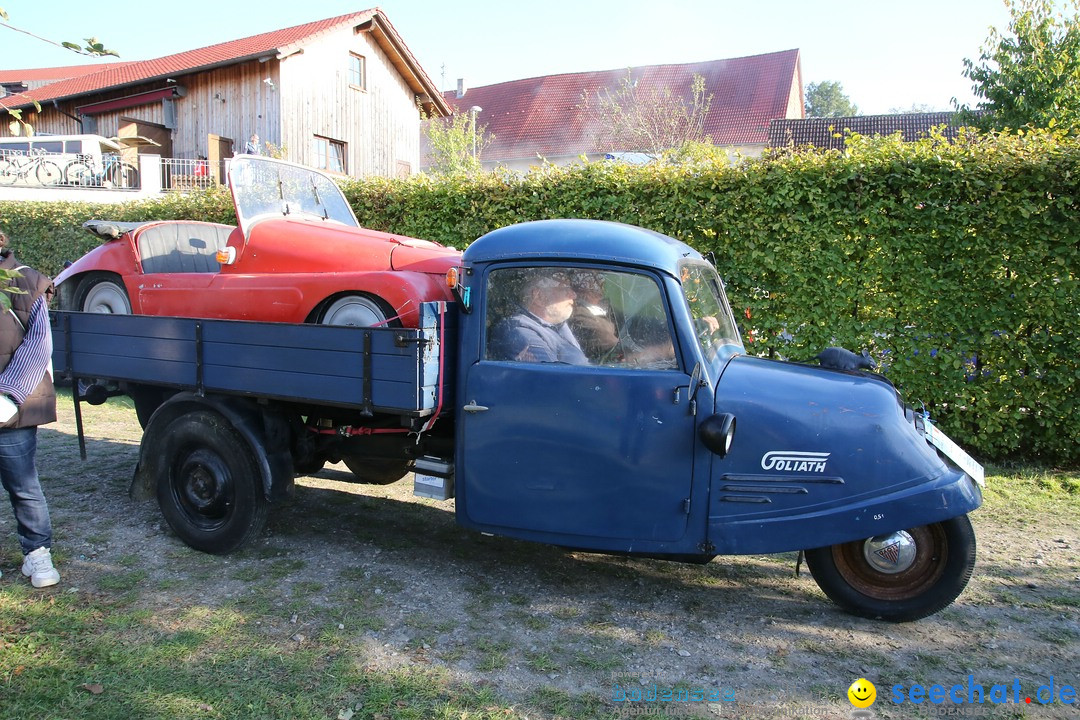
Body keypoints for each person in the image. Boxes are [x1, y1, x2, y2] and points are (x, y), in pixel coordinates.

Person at [0, 229, 59, 588]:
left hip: (12, 406)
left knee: (22, 484)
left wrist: (8, 395)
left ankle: (38, 556)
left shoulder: (28, 281)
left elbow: (39, 344)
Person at [488, 269, 588, 364]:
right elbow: (552, 376)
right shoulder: (521, 333)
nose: (574, 295)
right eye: (564, 288)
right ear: (539, 296)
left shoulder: (557, 325)